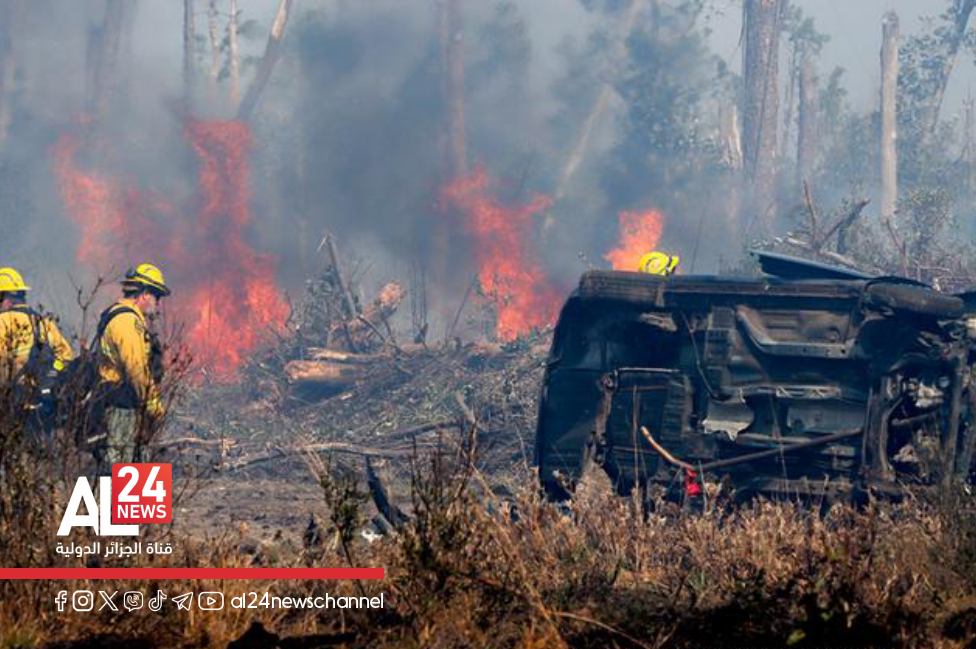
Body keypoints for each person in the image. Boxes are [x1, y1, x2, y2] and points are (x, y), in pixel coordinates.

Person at [91, 263, 170, 462]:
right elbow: (136, 368)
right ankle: (107, 494)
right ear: (143, 294)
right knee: (121, 465)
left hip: (127, 402)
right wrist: (154, 406)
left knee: (134, 470)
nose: (158, 303)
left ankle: (131, 494)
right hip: (122, 406)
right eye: (156, 297)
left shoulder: (123, 317)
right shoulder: (126, 321)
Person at [0, 267, 74, 430]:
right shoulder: (41, 322)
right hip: (40, 402)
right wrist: (52, 374)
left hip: (9, 402)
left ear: (4, 297)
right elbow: (66, 356)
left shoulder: (2, 322)